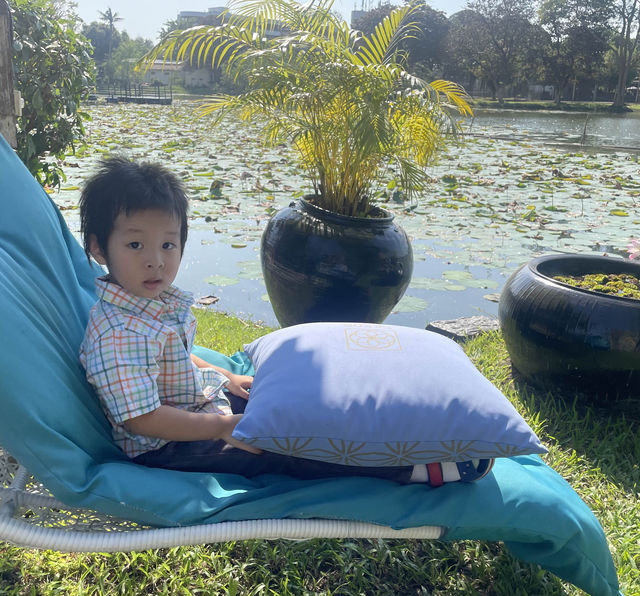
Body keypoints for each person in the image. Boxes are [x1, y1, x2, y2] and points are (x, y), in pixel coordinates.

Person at [79, 156, 493, 487]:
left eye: (168, 244)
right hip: (168, 446)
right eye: (135, 244)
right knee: (287, 449)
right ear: (99, 247)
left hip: (201, 405)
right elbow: (142, 418)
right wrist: (221, 427)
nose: (156, 259)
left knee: (298, 405)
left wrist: (224, 376)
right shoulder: (119, 332)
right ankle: (414, 470)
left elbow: (175, 361)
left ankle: (413, 437)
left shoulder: (150, 305)